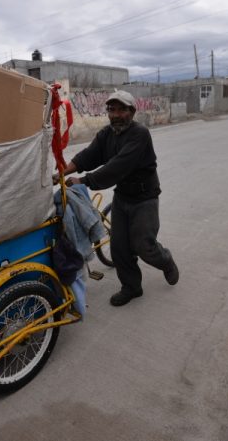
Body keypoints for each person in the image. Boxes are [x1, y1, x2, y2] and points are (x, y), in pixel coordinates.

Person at [55, 90, 179, 306]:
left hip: (145, 197)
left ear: (132, 112)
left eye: (122, 109)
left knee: (144, 246)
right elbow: (89, 155)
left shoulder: (140, 134)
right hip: (123, 196)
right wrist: (63, 172)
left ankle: (166, 261)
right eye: (112, 110)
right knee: (119, 248)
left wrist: (84, 181)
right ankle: (132, 287)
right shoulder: (107, 134)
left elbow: (118, 166)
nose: (116, 114)